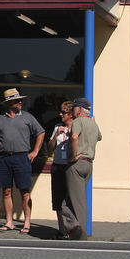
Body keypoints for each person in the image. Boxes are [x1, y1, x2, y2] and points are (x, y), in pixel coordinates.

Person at [0, 88, 45, 234]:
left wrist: (35, 151)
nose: (20, 102)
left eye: (20, 100)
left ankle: (27, 222)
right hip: (4, 157)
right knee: (6, 191)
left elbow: (41, 132)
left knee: (25, 192)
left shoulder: (27, 117)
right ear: (9, 103)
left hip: (22, 157)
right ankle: (9, 222)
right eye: (17, 100)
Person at [61, 97, 102, 240]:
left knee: (77, 202)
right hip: (89, 164)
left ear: (79, 109)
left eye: (73, 108)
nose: (72, 111)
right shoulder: (93, 124)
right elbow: (99, 137)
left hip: (77, 164)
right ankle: (74, 229)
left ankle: (81, 234)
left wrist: (73, 156)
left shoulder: (78, 121)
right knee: (67, 202)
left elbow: (73, 137)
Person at [47, 100, 74, 239]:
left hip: (70, 165)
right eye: (61, 111)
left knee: (69, 198)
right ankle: (62, 229)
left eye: (64, 112)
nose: (61, 114)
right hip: (58, 165)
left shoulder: (76, 127)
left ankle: (72, 228)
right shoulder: (58, 127)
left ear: (70, 114)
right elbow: (50, 147)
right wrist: (56, 135)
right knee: (58, 198)